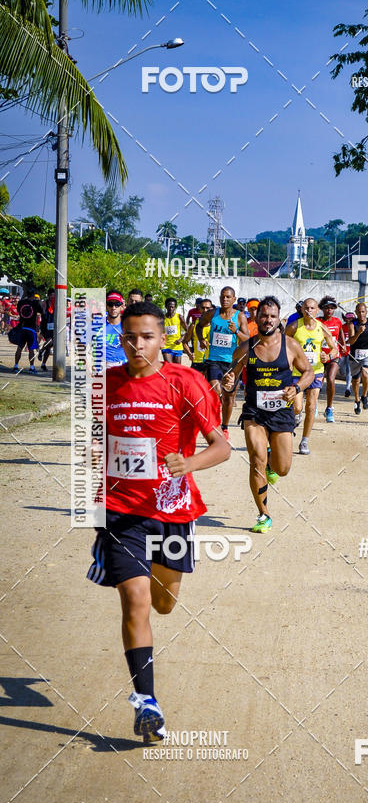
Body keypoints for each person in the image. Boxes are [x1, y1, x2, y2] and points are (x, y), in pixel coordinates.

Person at [87, 300, 230, 742]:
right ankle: (146, 701)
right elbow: (91, 448)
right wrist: (94, 515)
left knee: (164, 602)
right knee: (134, 601)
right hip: (122, 514)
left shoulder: (185, 383)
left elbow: (221, 446)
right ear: (121, 339)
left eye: (147, 336)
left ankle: (158, 589)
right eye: (129, 337)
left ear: (162, 338)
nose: (137, 345)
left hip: (172, 512)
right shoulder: (104, 385)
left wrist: (189, 463)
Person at [222, 296, 313, 532]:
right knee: (256, 461)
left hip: (282, 413)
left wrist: (297, 388)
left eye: (272, 316)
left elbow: (309, 372)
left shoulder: (290, 345)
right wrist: (229, 382)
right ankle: (264, 514)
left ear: (278, 318)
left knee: (282, 469)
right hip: (255, 412)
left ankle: (272, 464)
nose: (268, 320)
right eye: (263, 315)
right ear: (256, 317)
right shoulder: (245, 348)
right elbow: (230, 380)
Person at [195, 287, 249, 439]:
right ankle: (214, 423)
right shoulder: (213, 314)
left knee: (228, 396)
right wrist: (201, 339)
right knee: (215, 390)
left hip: (232, 362)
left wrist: (236, 332)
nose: (225, 299)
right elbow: (199, 325)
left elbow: (248, 340)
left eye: (228, 297)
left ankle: (224, 427)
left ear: (234, 299)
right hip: (213, 360)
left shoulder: (240, 317)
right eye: (222, 296)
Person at [285, 298, 337, 455]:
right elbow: (282, 343)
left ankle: (304, 441)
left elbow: (334, 349)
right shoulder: (294, 326)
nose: (309, 310)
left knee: (311, 406)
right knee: (297, 406)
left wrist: (327, 357)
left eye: (312, 308)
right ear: (301, 309)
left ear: (317, 310)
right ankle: (295, 417)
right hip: (297, 373)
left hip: (316, 371)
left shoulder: (323, 328)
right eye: (306, 308)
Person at [347, 302, 368, 414]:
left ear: (366, 312)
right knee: (356, 379)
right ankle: (357, 399)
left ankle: (364, 396)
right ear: (356, 313)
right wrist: (359, 333)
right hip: (355, 354)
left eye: (363, 311)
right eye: (359, 312)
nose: (361, 314)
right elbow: (350, 341)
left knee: (366, 373)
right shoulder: (353, 324)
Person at [318, 295, 347, 423]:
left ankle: (329, 408)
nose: (329, 310)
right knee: (317, 383)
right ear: (322, 309)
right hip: (319, 357)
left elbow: (340, 336)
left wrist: (344, 345)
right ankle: (313, 406)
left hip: (334, 356)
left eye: (332, 308)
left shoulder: (337, 321)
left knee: (330, 378)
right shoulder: (317, 322)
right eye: (326, 308)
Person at [12, 290, 43, 373]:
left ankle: (16, 366)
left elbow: (19, 310)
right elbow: (41, 311)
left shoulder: (21, 302)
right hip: (31, 329)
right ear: (33, 295)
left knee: (19, 348)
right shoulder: (36, 303)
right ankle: (32, 367)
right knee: (31, 349)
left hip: (22, 328)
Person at [182, 297, 213, 376]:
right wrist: (189, 354)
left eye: (208, 308)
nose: (205, 310)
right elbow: (185, 342)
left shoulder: (215, 325)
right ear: (199, 309)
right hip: (197, 361)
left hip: (212, 362)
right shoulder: (194, 325)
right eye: (203, 308)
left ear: (212, 309)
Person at [162, 297, 187, 364]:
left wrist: (181, 339)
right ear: (166, 306)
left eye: (172, 307)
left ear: (175, 307)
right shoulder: (162, 318)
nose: (170, 309)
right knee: (169, 366)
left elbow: (188, 331)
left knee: (177, 368)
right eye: (169, 307)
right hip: (166, 346)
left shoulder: (179, 317)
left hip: (177, 346)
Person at [38, 288, 55, 371]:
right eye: (52, 295)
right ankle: (41, 351)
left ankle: (43, 364)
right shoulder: (44, 303)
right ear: (48, 296)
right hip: (45, 326)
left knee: (50, 346)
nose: (53, 297)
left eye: (54, 295)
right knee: (49, 341)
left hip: (54, 326)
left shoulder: (56, 303)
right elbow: (42, 312)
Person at [340, 312, 355, 397]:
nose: (349, 320)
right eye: (347, 318)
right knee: (342, 370)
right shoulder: (342, 327)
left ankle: (348, 388)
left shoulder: (355, 327)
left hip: (351, 352)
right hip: (342, 352)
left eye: (351, 319)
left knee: (349, 370)